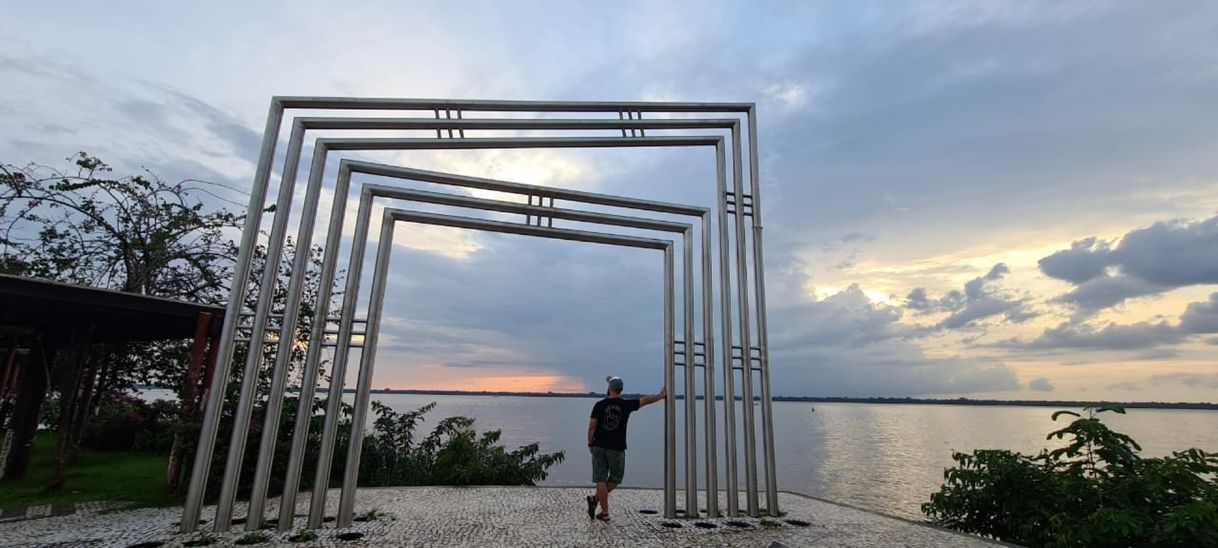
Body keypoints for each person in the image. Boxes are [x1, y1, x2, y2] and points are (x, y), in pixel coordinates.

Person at [585, 375, 665, 521]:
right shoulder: (625, 405)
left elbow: (591, 428)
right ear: (621, 390)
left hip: (600, 446)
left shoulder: (599, 405)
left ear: (610, 388)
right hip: (617, 448)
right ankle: (604, 513)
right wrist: (660, 396)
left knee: (601, 479)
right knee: (615, 478)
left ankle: (595, 500)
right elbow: (645, 400)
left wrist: (590, 444)